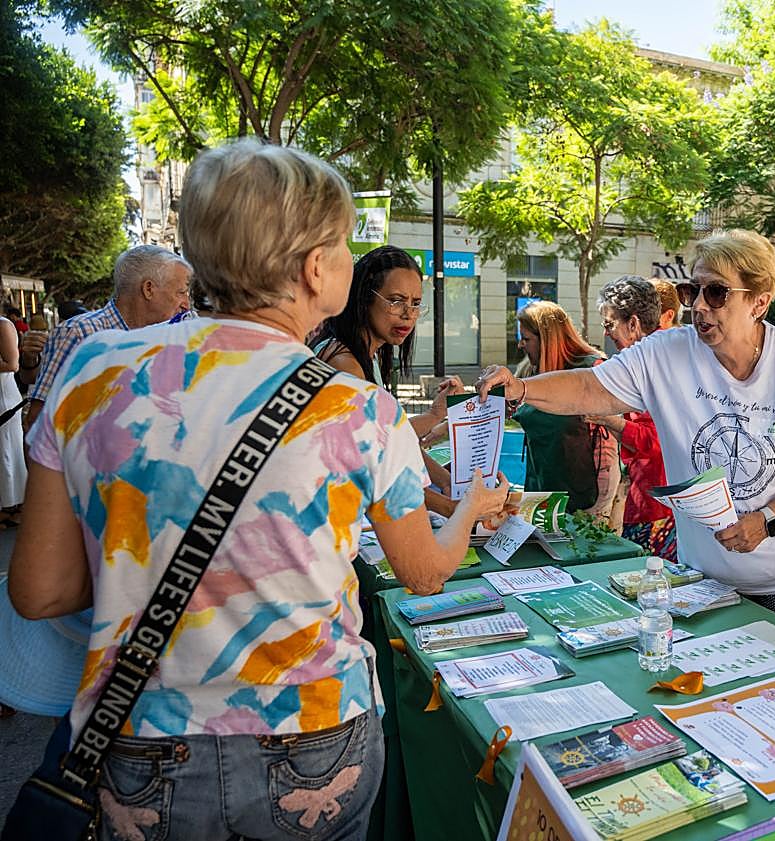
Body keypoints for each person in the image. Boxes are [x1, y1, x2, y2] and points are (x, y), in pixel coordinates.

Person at [8, 139, 508, 841]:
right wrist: (477, 508)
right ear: (313, 268)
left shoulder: (93, 371)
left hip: (137, 736)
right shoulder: (358, 407)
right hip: (313, 740)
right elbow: (424, 571)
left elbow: (39, 588)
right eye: (341, 244)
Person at [480, 230, 775, 641]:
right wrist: (521, 387)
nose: (698, 306)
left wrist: (767, 520)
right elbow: (592, 387)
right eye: (691, 290)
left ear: (758, 302)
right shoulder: (666, 352)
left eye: (716, 292)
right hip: (705, 580)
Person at [310, 245, 465, 516]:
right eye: (396, 300)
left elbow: (393, 441)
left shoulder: (366, 357)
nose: (408, 314)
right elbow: (380, 466)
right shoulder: (345, 364)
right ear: (363, 299)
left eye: (416, 304)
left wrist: (447, 483)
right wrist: (454, 509)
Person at [23, 245, 193, 433]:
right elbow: (37, 423)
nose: (186, 304)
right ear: (148, 289)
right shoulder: (79, 333)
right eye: (181, 292)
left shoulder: (165, 338)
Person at [587, 276, 677, 560]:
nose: (606, 334)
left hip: (659, 508)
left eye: (609, 324)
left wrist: (608, 419)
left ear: (634, 324)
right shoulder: (645, 363)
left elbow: (656, 440)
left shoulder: (660, 366)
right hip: (646, 499)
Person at [512, 301, 619, 518]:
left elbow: (608, 445)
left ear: (548, 340)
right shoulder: (529, 370)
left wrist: (600, 507)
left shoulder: (593, 370)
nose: (520, 346)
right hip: (540, 488)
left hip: (585, 495)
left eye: (526, 339)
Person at [0, 313, 25, 527]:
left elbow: (12, 364)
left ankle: (13, 506)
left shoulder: (3, 325)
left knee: (7, 452)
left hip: (4, 400)